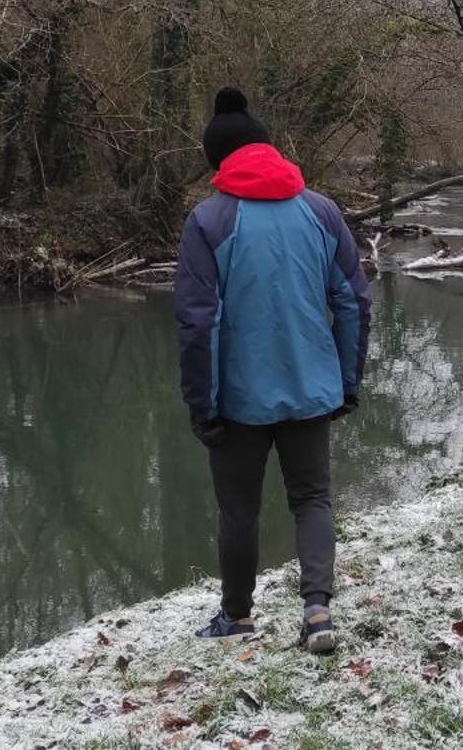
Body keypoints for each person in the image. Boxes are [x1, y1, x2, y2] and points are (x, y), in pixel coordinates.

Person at [175, 87, 371, 651]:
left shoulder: (208, 221)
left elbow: (198, 324)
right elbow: (355, 302)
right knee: (312, 499)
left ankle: (236, 616)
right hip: (312, 389)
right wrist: (347, 382)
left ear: (219, 162)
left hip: (237, 400)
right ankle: (317, 612)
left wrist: (201, 404)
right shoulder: (321, 211)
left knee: (238, 508)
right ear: (270, 150)